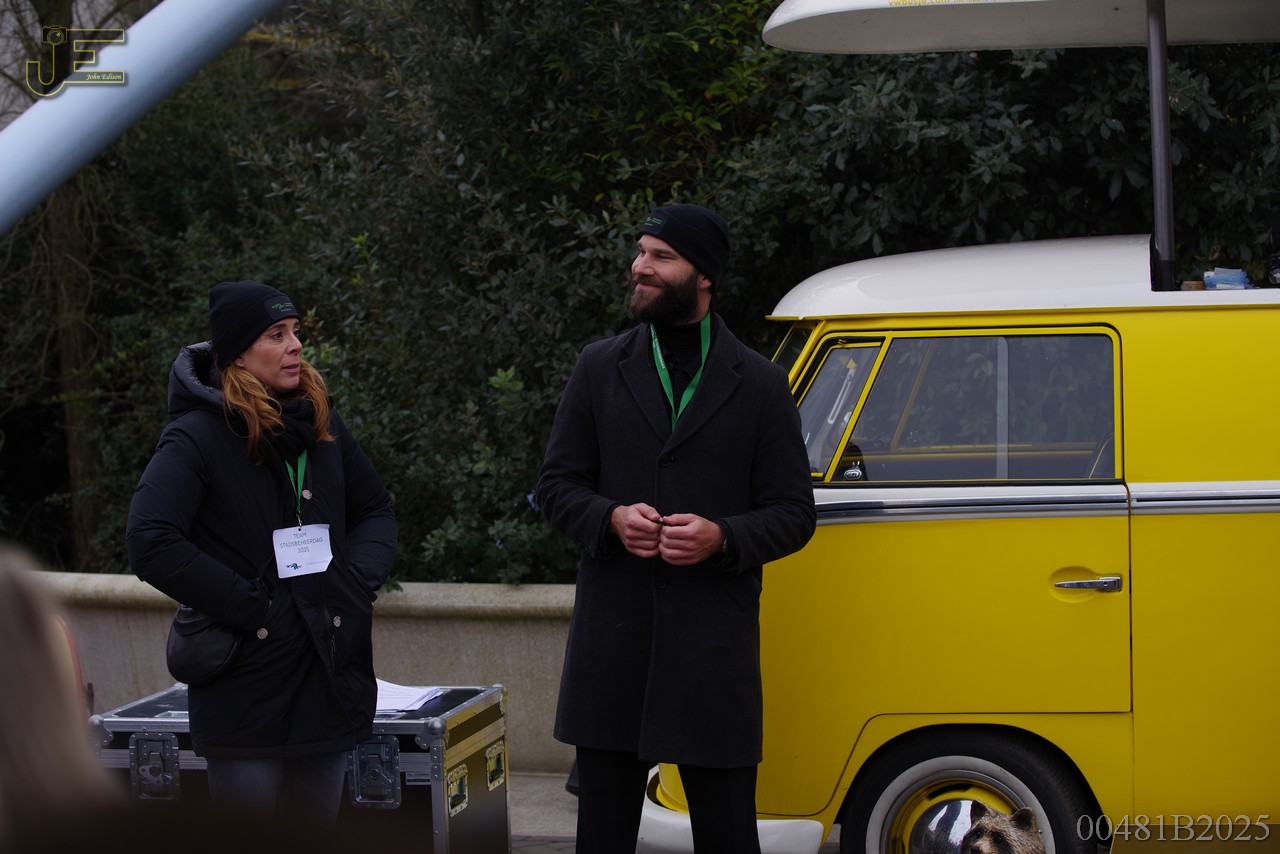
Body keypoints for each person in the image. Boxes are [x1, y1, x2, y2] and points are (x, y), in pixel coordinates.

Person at [535, 204, 816, 853]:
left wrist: (725, 537)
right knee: (601, 838)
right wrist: (608, 518)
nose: (641, 267)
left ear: (704, 275)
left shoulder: (763, 385)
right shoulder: (598, 367)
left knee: (728, 836)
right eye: (641, 252)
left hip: (711, 654)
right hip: (613, 650)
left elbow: (794, 513)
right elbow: (555, 487)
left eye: (661, 257)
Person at [126, 280, 397, 827]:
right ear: (237, 355)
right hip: (246, 690)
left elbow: (375, 511)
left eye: (295, 331)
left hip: (328, 681)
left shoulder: (320, 424)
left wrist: (353, 582)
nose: (295, 345)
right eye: (276, 334)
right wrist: (250, 606)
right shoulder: (197, 435)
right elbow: (150, 539)